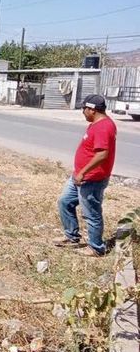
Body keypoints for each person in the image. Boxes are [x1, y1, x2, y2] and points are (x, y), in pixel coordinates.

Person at [54, 94, 117, 257]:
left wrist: (83, 172)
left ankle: (96, 247)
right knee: (65, 201)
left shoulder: (103, 127)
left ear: (92, 110)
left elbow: (102, 154)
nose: (83, 112)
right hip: (80, 176)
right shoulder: (96, 124)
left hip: (91, 178)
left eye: (84, 109)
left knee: (91, 213)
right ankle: (71, 237)